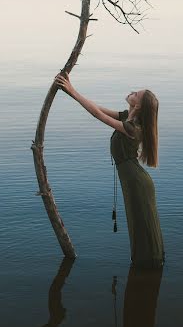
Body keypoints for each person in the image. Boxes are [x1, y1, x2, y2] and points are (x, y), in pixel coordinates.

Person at [54, 71, 165, 270]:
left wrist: (72, 90)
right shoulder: (126, 117)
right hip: (133, 181)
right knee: (139, 225)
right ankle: (147, 265)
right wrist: (70, 91)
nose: (131, 92)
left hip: (137, 183)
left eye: (135, 94)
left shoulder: (133, 128)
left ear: (137, 105)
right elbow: (97, 108)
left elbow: (97, 115)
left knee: (141, 226)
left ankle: (147, 263)